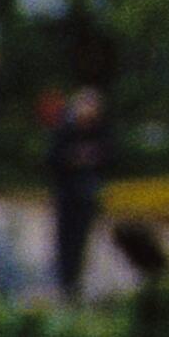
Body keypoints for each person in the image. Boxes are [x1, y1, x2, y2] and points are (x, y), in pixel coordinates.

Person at [44, 83, 111, 303]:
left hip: (88, 192)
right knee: (64, 237)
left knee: (81, 239)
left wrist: (94, 158)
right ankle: (64, 281)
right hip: (67, 192)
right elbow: (53, 158)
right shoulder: (65, 130)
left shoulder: (99, 131)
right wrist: (73, 158)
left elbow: (110, 155)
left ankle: (74, 282)